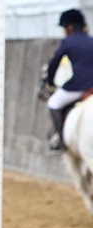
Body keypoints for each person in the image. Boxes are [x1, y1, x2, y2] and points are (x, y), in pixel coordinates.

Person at [45, 8, 93, 150]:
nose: (64, 31)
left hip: (79, 85)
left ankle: (61, 140)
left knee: (53, 103)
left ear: (70, 27)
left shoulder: (68, 42)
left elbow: (54, 63)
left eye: (64, 28)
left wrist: (50, 81)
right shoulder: (91, 40)